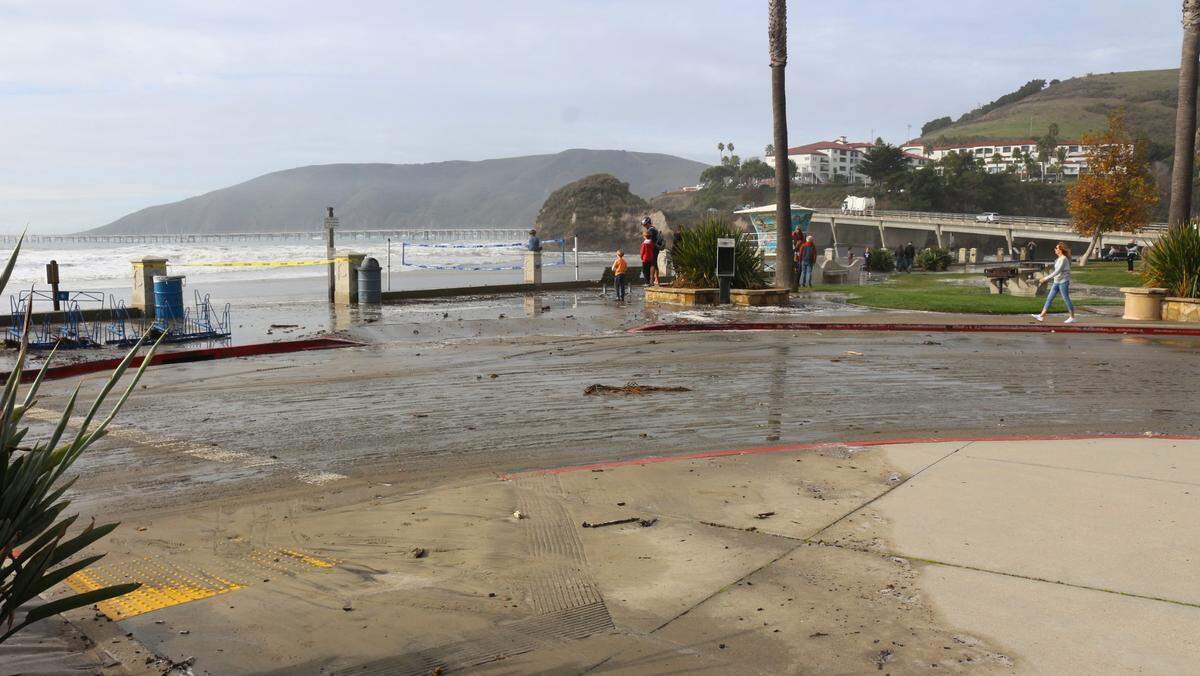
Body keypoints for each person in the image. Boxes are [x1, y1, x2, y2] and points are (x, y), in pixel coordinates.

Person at [1032, 242, 1076, 324]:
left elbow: (1057, 271)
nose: (1055, 250)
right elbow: (1056, 272)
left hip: (1063, 282)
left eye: (1056, 248)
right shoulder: (1058, 259)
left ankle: (1072, 317)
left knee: (1066, 299)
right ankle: (1041, 316)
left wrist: (1045, 278)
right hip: (1056, 282)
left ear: (1060, 250)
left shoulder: (1063, 259)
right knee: (1049, 298)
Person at [642, 216, 662, 286]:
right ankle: (656, 280)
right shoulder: (654, 229)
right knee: (655, 264)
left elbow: (651, 242)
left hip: (653, 250)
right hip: (656, 249)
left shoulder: (651, 230)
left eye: (645, 225)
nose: (644, 226)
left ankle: (652, 281)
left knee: (652, 265)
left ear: (648, 223)